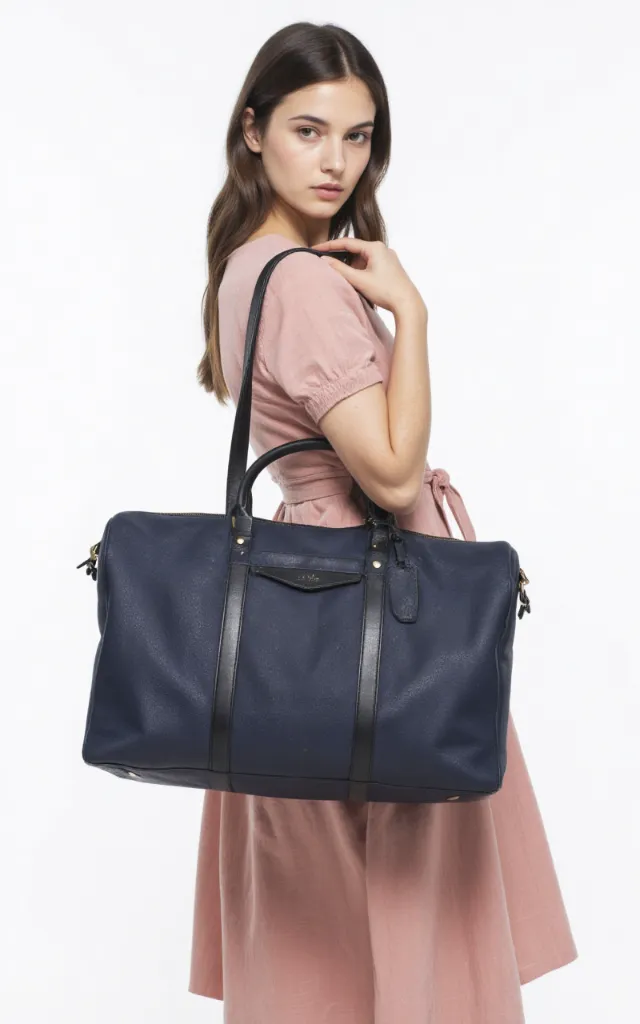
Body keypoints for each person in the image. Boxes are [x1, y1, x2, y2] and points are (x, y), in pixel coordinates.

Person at [188, 21, 578, 1023]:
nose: (336, 161)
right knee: (409, 897)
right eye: (309, 130)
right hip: (377, 610)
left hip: (304, 611)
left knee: (312, 902)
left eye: (358, 137)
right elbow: (391, 464)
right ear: (252, 132)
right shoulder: (310, 284)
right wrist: (415, 314)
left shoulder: (245, 265)